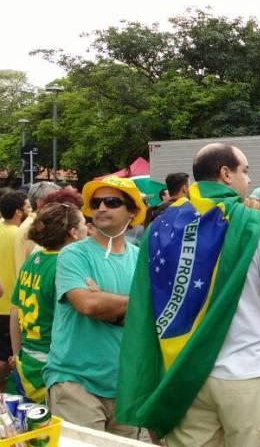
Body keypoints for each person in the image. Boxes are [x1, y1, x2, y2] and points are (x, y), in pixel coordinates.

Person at [116, 143, 260, 446]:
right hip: (247, 372)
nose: (249, 180)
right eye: (245, 171)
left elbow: (146, 304)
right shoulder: (257, 223)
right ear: (225, 174)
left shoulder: (161, 226)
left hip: (182, 374)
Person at [43, 177, 145, 437]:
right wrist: (135, 304)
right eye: (96, 202)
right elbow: (87, 304)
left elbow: (150, 317)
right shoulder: (73, 254)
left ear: (132, 212)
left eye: (111, 202)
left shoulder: (141, 259)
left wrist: (109, 302)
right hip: (76, 382)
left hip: (126, 385)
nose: (101, 208)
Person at [10, 199, 87, 402]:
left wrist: (17, 354)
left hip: (27, 361)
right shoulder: (66, 266)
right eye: (84, 224)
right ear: (73, 232)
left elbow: (15, 311)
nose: (88, 228)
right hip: (52, 364)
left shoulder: (32, 261)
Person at [0, 190, 31, 385]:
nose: (30, 210)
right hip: (13, 304)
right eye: (28, 206)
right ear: (19, 212)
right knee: (9, 358)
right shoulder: (22, 235)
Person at [15, 181, 60, 273]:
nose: (59, 204)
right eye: (55, 199)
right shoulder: (37, 225)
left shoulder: (31, 222)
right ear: (40, 202)